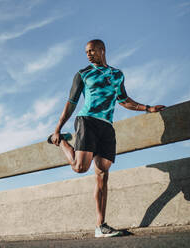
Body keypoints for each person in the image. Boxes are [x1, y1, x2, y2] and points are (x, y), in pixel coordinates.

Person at [48, 39, 165, 238]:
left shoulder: (117, 75)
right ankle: (65, 141)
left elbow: (124, 100)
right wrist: (58, 129)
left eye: (92, 50)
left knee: (102, 174)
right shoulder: (82, 74)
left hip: (107, 127)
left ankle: (100, 225)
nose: (88, 54)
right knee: (80, 168)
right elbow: (71, 103)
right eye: (86, 52)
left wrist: (147, 108)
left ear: (102, 50)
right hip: (87, 121)